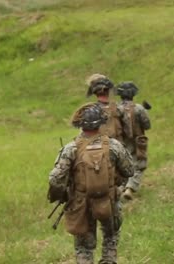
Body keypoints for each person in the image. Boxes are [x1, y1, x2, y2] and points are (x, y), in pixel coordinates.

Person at [48, 103, 134, 264]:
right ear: (101, 122)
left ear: (80, 124)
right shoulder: (113, 146)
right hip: (109, 200)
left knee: (84, 247)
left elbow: (55, 178)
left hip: (81, 203)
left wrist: (65, 193)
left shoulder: (70, 148)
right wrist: (117, 182)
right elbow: (129, 170)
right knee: (111, 236)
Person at [116, 81, 151, 200]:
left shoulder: (116, 109)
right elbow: (147, 125)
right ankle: (130, 188)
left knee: (121, 165)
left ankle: (121, 188)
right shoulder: (139, 108)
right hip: (137, 141)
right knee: (139, 164)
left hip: (120, 142)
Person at [86, 74, 124, 143]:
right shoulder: (120, 109)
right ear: (108, 90)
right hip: (118, 149)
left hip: (98, 150)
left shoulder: (89, 112)